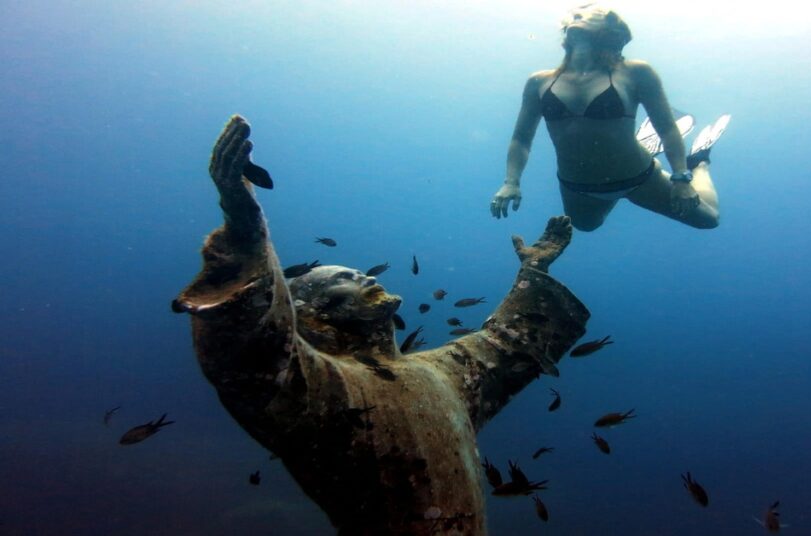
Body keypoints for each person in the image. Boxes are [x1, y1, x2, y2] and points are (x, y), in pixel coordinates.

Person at [173, 116, 590, 534]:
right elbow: (257, 348)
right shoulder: (323, 390)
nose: (365, 278)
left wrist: (534, 269)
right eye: (343, 279)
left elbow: (506, 344)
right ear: (312, 312)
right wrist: (247, 233)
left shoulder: (441, 373)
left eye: (358, 272)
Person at [490, 4, 726, 231]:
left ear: (612, 26)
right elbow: (521, 139)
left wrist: (682, 178)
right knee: (586, 226)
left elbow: (667, 129)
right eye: (575, 13)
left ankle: (700, 163)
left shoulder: (636, 72)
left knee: (709, 219)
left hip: (639, 177)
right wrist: (511, 182)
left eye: (590, 11)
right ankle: (640, 144)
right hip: (578, 186)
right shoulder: (538, 82)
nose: (577, 14)